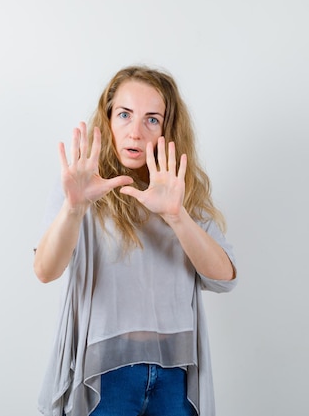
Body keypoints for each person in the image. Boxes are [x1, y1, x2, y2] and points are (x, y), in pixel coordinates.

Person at [33, 65, 237, 416]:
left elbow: (224, 278)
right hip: (105, 376)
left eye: (152, 119)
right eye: (125, 115)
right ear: (108, 119)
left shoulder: (179, 188)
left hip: (175, 376)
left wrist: (177, 215)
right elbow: (46, 271)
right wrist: (73, 207)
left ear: (167, 128)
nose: (136, 132)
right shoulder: (82, 184)